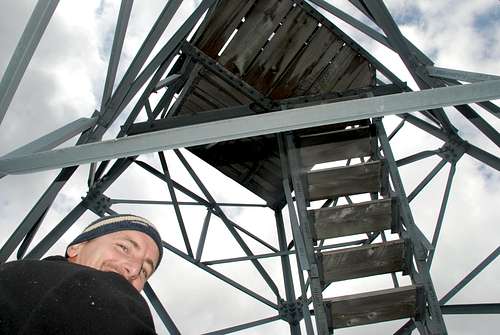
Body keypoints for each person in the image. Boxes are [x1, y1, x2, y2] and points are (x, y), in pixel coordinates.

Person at [0, 214, 163, 335]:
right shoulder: (88, 286)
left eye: (144, 271)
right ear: (76, 248)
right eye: (123, 247)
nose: (134, 269)